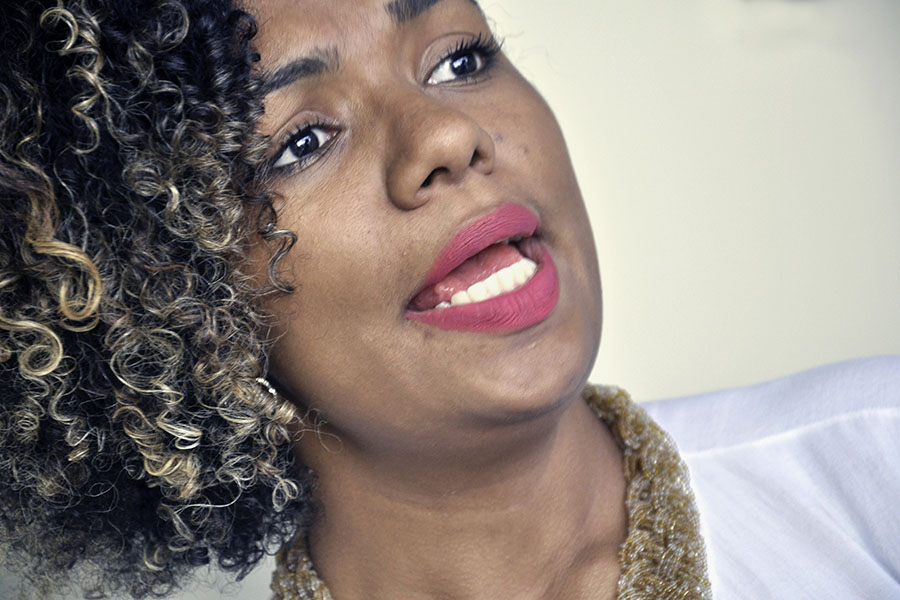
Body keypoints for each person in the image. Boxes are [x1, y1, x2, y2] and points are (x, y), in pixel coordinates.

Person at [1, 2, 897, 600]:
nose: (446, 132)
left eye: (459, 58)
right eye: (303, 141)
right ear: (170, 302)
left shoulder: (873, 463)